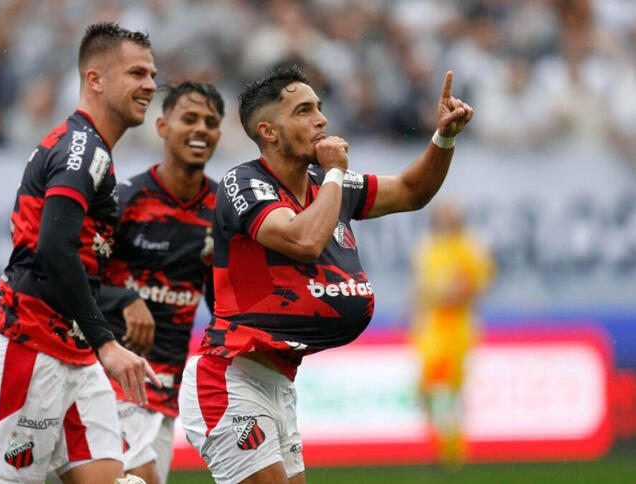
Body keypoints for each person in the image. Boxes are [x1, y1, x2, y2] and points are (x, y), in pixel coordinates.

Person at [178, 65, 474, 484]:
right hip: (229, 378)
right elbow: (303, 241)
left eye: (319, 107)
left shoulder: (326, 182)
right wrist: (335, 172)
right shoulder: (244, 183)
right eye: (304, 110)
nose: (322, 119)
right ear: (269, 132)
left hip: (278, 381)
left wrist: (444, 137)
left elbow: (411, 191)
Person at [0, 23, 161, 484]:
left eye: (153, 75)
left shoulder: (91, 151)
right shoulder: (83, 150)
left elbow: (77, 260)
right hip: (30, 346)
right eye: (136, 73)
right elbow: (54, 249)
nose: (151, 85)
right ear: (95, 79)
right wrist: (107, 343)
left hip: (73, 352)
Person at [97, 81, 225, 484]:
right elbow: (72, 280)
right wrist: (125, 299)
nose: (201, 129)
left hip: (167, 384)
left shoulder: (223, 211)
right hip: (113, 377)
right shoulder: (124, 199)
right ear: (163, 126)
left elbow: (223, 299)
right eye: (189, 119)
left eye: (211, 122)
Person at [410, 202, 495, 470]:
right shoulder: (428, 247)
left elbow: (479, 284)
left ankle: (453, 451)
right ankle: (443, 445)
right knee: (427, 388)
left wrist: (459, 293)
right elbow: (420, 286)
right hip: (431, 323)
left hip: (456, 324)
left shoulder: (469, 247)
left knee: (450, 388)